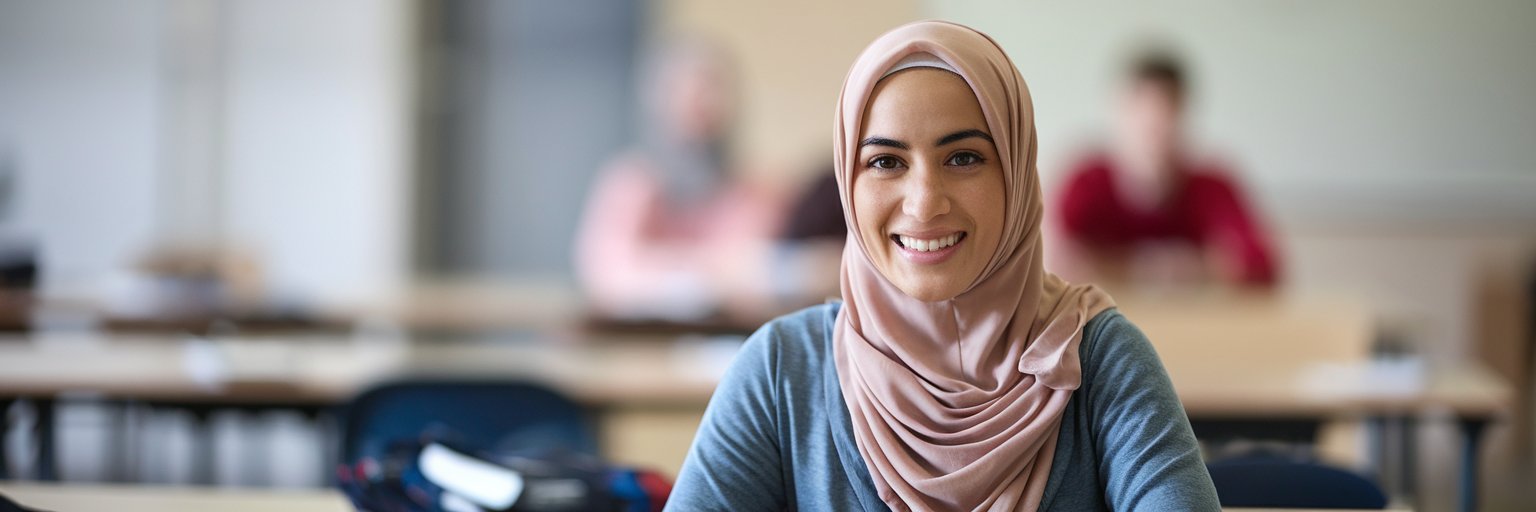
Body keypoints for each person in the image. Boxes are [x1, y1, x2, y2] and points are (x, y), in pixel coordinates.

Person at [667, 21, 1220, 511]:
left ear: (1017, 175)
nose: (924, 202)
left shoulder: (1100, 361)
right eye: (885, 161)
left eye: (964, 157)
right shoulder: (782, 373)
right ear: (847, 182)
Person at [573, 39, 785, 322]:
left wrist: (662, 264)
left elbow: (754, 272)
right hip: (636, 345)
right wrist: (706, 275)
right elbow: (607, 273)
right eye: (686, 92)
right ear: (659, 103)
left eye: (712, 91)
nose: (701, 107)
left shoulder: (756, 190)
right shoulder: (630, 183)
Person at [1052, 48, 1278, 288]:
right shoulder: (1086, 184)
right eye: (1141, 110)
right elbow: (1054, 263)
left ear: (1182, 113)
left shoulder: (1213, 188)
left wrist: (1113, 265)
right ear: (1118, 110)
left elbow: (1260, 266)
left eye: (1165, 111)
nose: (1153, 125)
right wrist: (1171, 268)